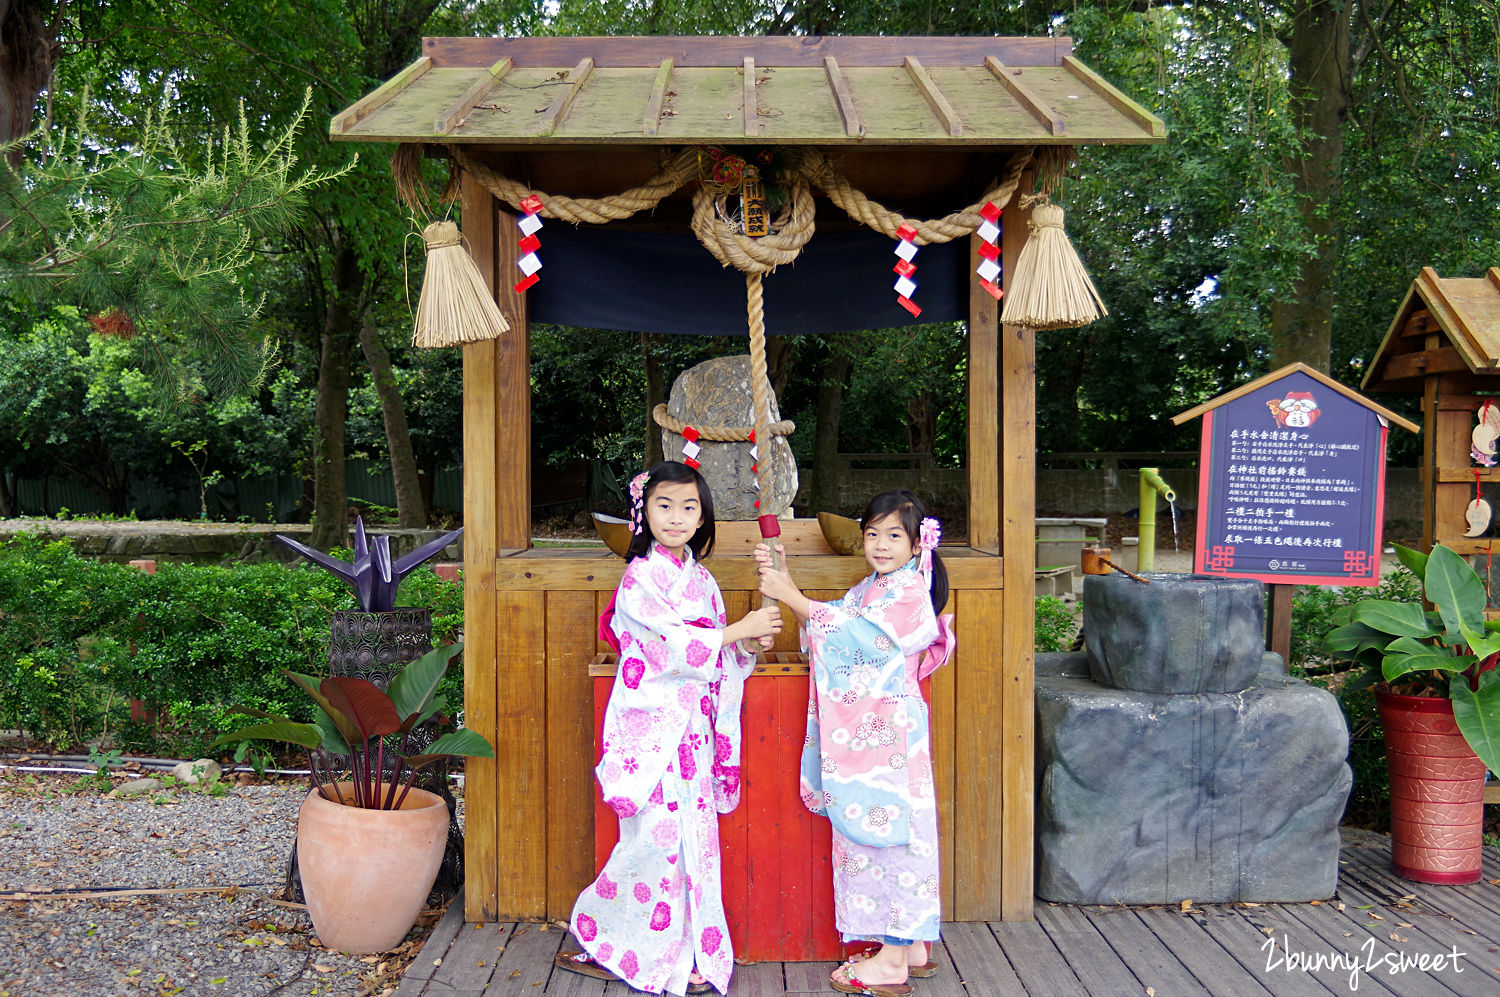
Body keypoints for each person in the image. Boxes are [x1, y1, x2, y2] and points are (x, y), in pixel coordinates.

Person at [557, 461, 782, 996]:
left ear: (703, 517)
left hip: (693, 733)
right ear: (644, 513)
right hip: (653, 734)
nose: (677, 517)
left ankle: (691, 951)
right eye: (665, 505)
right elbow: (663, 648)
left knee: (696, 846)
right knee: (655, 844)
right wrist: (735, 631)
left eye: (689, 507)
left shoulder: (701, 579)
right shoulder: (639, 579)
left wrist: (745, 644)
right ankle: (615, 935)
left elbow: (716, 652)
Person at [755, 489, 954, 997]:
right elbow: (828, 630)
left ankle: (891, 962)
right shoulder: (871, 587)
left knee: (894, 839)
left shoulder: (908, 593)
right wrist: (785, 580)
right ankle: (909, 946)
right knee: (888, 835)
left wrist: (792, 595)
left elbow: (858, 641)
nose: (881, 545)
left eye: (894, 536)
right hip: (876, 735)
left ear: (917, 545)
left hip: (890, 737)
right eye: (873, 534)